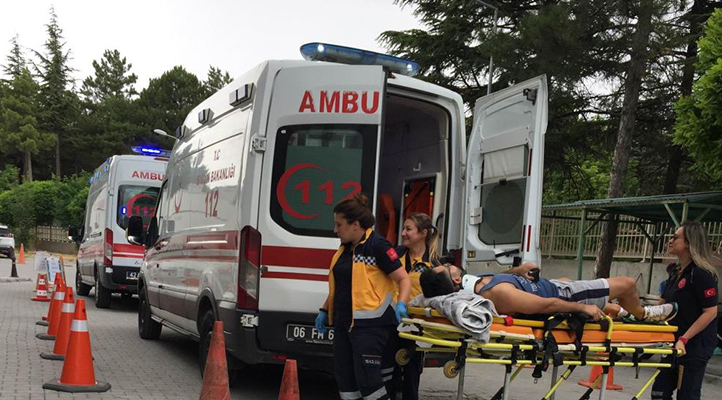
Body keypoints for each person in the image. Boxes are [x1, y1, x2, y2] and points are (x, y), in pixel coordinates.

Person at [315, 194, 411, 400]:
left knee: (369, 383)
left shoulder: (378, 246)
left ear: (355, 225)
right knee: (346, 382)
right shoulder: (344, 249)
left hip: (370, 327)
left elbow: (404, 279)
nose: (335, 230)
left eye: (339, 225)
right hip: (344, 325)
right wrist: (324, 310)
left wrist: (401, 304)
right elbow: (342, 286)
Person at [419, 263, 678, 322]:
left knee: (567, 280)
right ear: (455, 279)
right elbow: (545, 305)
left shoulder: (479, 283)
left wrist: (519, 271)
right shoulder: (499, 293)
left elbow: (504, 278)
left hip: (556, 285)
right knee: (628, 284)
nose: (450, 263)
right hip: (565, 295)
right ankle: (643, 314)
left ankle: (621, 312)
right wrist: (582, 307)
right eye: (447, 267)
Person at [651, 222, 719, 400]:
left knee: (687, 395)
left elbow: (710, 312)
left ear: (689, 242)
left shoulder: (701, 274)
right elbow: (662, 306)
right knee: (659, 392)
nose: (670, 241)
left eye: (675, 237)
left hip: (694, 345)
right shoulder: (676, 272)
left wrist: (684, 339)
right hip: (673, 342)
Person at [389, 213, 438, 400]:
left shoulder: (433, 264)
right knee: (387, 374)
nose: (403, 233)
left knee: (410, 375)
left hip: (415, 327)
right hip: (389, 321)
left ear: (423, 233)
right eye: (404, 228)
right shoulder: (395, 255)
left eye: (408, 229)